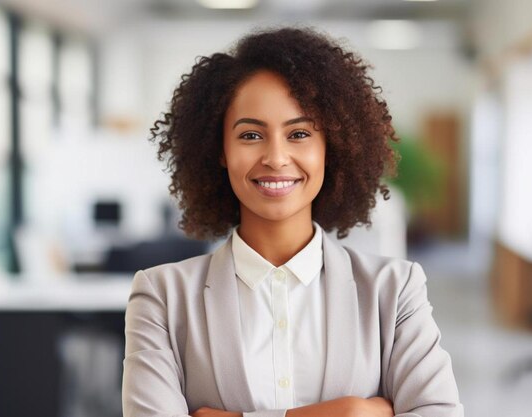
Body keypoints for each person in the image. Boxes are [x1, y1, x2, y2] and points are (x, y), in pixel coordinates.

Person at [122, 27, 463, 417]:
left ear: (329, 147)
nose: (276, 157)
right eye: (251, 135)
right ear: (220, 150)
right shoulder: (162, 297)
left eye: (299, 133)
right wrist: (351, 413)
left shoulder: (394, 290)